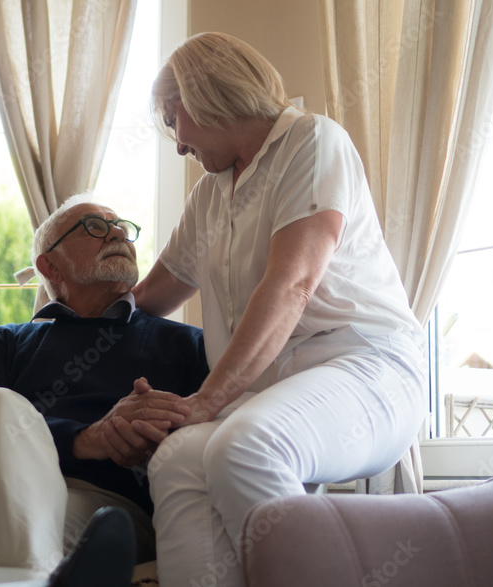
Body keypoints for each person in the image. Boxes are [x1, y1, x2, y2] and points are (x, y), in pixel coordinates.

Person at [127, 32, 428, 587]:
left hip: (369, 369)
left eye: (174, 120)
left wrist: (206, 402)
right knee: (177, 462)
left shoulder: (313, 143)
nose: (177, 144)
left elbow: (292, 284)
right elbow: (150, 297)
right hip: (270, 392)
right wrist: (70, 307)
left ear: (203, 97)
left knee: (244, 448)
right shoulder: (211, 194)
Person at [0, 194, 209, 586]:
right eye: (95, 226)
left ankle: (27, 575)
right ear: (50, 264)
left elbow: (212, 428)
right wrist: (85, 438)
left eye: (123, 227)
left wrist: (156, 432)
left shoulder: (186, 344)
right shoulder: (4, 342)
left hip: (106, 505)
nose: (117, 233)